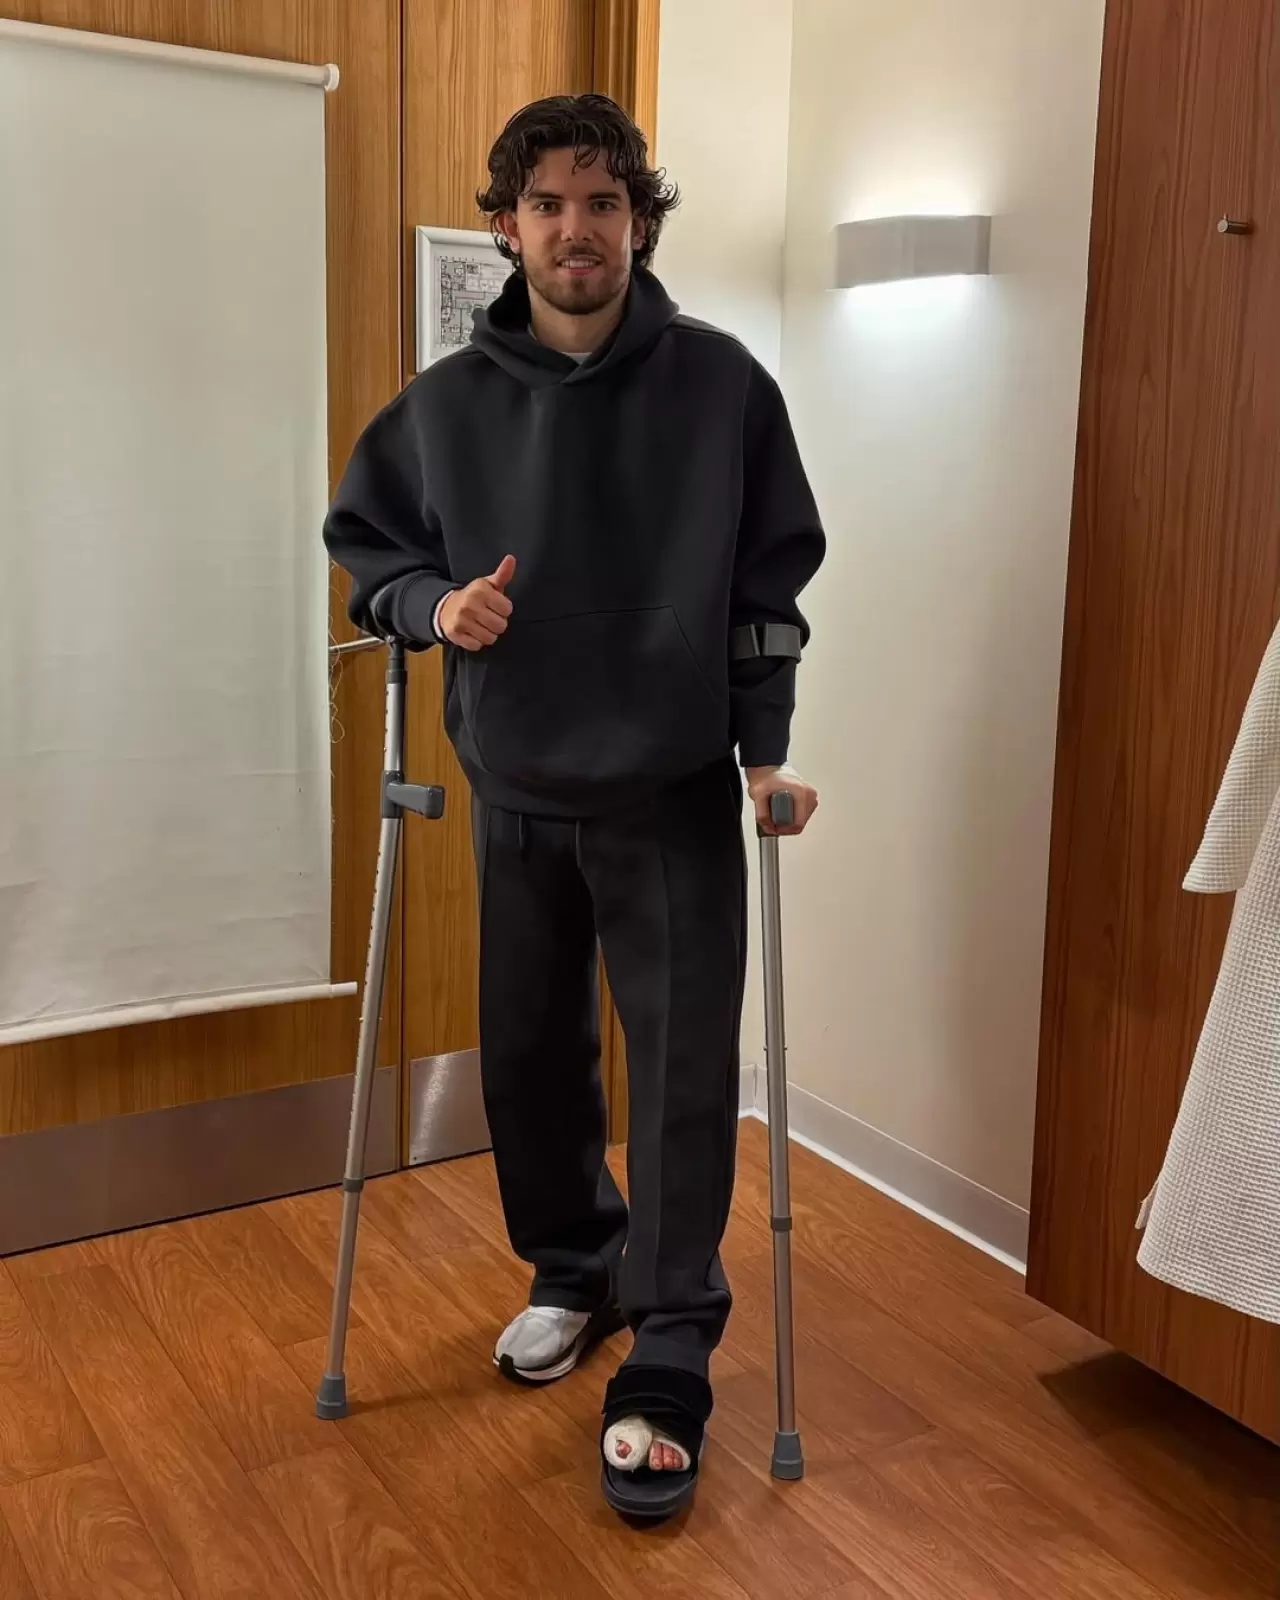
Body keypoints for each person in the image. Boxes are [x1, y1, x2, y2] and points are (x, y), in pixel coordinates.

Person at [323, 93, 824, 1521]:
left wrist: (765, 751)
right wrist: (435, 607)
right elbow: (370, 552)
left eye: (604, 202)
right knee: (531, 1059)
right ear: (507, 227)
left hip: (669, 785)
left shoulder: (722, 385)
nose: (575, 228)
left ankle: (670, 1341)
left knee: (678, 1070)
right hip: (519, 784)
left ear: (640, 223)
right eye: (547, 203)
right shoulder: (443, 406)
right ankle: (573, 1270)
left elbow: (768, 580)